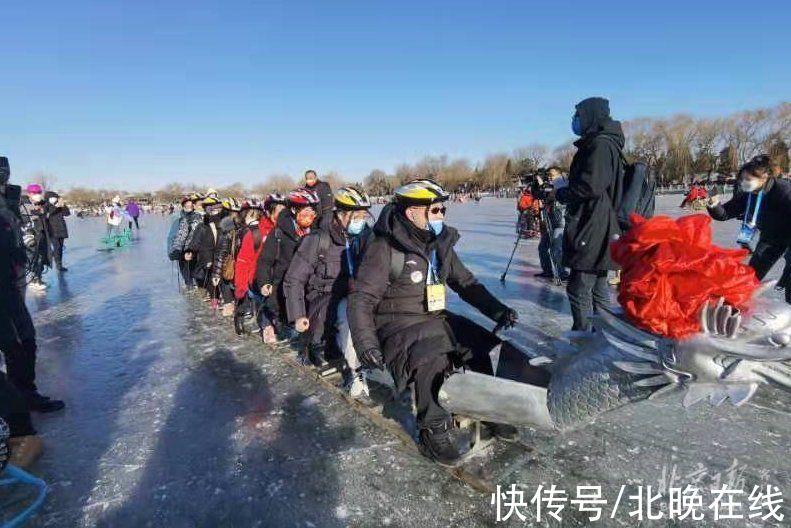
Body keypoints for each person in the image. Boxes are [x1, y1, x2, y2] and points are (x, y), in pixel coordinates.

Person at [348, 179, 519, 465]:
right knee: (432, 357)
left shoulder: (438, 245)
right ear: (412, 212)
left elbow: (464, 281)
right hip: (397, 324)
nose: (442, 215)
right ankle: (433, 431)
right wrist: (365, 343)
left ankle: (486, 408)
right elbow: (361, 298)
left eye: (443, 209)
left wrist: (497, 310)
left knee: (480, 344)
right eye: (436, 209)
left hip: (432, 316)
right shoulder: (384, 248)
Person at [283, 187, 373, 399]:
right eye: (356, 216)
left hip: (356, 294)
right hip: (325, 299)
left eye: (364, 215)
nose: (361, 220)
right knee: (348, 314)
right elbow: (294, 278)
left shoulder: (365, 236)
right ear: (342, 214)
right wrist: (297, 315)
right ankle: (356, 372)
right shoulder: (318, 239)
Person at [0, 156, 65, 414]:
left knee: (25, 337)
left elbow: (22, 232)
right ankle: (17, 401)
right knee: (13, 341)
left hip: (12, 284)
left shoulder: (11, 203)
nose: (4, 180)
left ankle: (25, 391)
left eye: (5, 175)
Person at [556, 97, 625, 331]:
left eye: (578, 115)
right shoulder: (602, 143)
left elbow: (591, 185)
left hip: (594, 224)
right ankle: (604, 336)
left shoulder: (600, 145)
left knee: (579, 287)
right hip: (599, 222)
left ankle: (583, 339)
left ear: (590, 116)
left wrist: (562, 192)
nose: (575, 120)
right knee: (597, 286)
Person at [707, 155, 791, 296]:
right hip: (770, 238)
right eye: (742, 179)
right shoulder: (747, 194)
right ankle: (739, 300)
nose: (743, 182)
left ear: (763, 178)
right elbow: (725, 213)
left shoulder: (783, 190)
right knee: (752, 274)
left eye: (748, 179)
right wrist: (714, 204)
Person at [255, 188, 319, 341]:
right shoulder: (279, 233)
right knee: (284, 322)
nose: (308, 217)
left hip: (307, 288)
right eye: (305, 212)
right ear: (293, 210)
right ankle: (268, 322)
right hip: (281, 287)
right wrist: (264, 282)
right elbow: (265, 261)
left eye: (312, 212)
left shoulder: (316, 232)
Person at [532, 167, 569, 281]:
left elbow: (551, 193)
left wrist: (544, 185)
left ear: (559, 174)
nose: (549, 177)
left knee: (556, 248)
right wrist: (536, 183)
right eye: (548, 175)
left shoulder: (563, 183)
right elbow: (538, 195)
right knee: (542, 247)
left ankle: (562, 273)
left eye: (551, 175)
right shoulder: (550, 185)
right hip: (551, 222)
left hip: (561, 222)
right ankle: (547, 271)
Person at [211, 198, 243, 316]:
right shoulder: (243, 226)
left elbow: (221, 253)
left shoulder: (226, 229)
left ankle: (229, 305)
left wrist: (215, 274)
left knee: (225, 281)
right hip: (241, 264)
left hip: (229, 266)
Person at [167, 194, 203, 289]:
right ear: (183, 207)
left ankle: (196, 286)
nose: (189, 208)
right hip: (183, 252)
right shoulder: (178, 220)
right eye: (187, 206)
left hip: (196, 251)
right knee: (187, 273)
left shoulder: (199, 217)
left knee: (197, 273)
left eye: (191, 206)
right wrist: (175, 253)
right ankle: (189, 285)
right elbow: (172, 237)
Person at [23, 184, 51, 291]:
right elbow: (25, 218)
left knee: (40, 258)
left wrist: (42, 211)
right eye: (35, 193)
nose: (37, 195)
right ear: (29, 194)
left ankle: (38, 278)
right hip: (30, 236)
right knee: (34, 258)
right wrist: (36, 211)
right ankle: (35, 280)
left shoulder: (41, 204)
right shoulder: (24, 204)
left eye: (39, 192)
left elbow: (45, 218)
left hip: (41, 235)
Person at [44, 191, 70, 272]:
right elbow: (46, 216)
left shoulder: (60, 205)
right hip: (52, 230)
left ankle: (60, 265)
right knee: (57, 247)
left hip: (61, 228)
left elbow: (67, 213)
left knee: (60, 248)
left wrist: (63, 206)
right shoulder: (46, 205)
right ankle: (58, 265)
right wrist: (55, 207)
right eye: (53, 197)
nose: (55, 199)